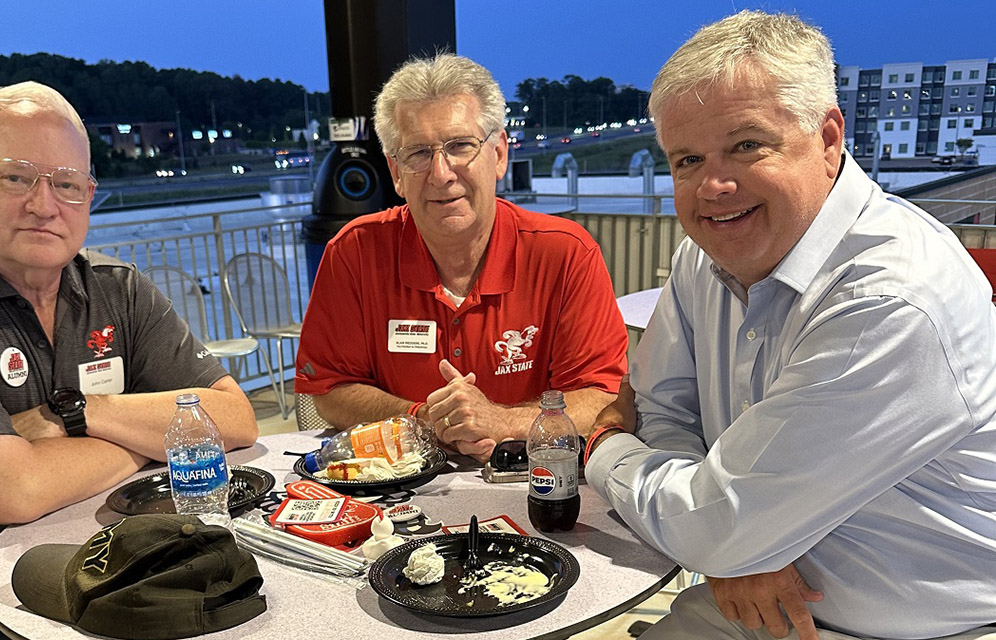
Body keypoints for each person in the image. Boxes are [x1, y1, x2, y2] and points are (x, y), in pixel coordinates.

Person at [583, 11, 996, 640]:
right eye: (687, 160)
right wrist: (732, 540)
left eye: (747, 145)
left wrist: (604, 451)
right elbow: (667, 411)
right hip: (749, 601)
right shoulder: (703, 257)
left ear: (828, 138)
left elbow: (707, 517)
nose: (714, 186)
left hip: (930, 630)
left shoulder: (890, 299)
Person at [0, 82, 258, 639]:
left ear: (88, 195)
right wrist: (153, 439)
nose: (44, 205)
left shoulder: (116, 288)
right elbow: (11, 490)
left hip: (82, 539)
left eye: (66, 184)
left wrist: (76, 414)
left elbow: (234, 419)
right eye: (17, 177)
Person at [295, 53, 628, 461]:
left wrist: (501, 422)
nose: (441, 173)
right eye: (417, 153)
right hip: (399, 488)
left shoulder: (566, 253)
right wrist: (423, 420)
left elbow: (602, 399)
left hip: (532, 481)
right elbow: (329, 391)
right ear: (395, 173)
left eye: (460, 146)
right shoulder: (353, 252)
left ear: (500, 153)